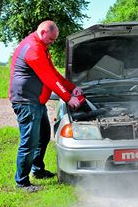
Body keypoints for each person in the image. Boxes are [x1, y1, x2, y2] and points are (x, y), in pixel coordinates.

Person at [9, 20, 83, 192]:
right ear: (43, 33)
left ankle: (37, 170)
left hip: (36, 101)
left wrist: (72, 87)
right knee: (29, 142)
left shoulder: (41, 47)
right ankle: (21, 182)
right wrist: (67, 98)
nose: (52, 42)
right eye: (51, 39)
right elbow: (48, 78)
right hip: (26, 102)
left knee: (43, 136)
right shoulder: (33, 49)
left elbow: (54, 73)